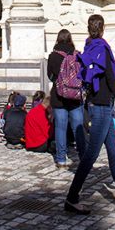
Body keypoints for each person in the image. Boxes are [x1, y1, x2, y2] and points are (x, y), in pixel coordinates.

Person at [64, 14, 115, 216]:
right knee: (91, 156)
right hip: (102, 107)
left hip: (97, 105)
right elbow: (112, 84)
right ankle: (72, 198)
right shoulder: (103, 48)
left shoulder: (90, 46)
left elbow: (99, 75)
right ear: (103, 28)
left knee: (114, 153)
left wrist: (111, 71)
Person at [47, 28, 87, 170]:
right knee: (78, 127)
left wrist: (60, 81)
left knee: (60, 127)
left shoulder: (53, 56)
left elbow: (50, 76)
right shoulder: (77, 55)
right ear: (70, 40)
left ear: (57, 39)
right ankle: (83, 156)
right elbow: (83, 74)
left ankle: (61, 159)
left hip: (59, 96)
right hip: (75, 96)